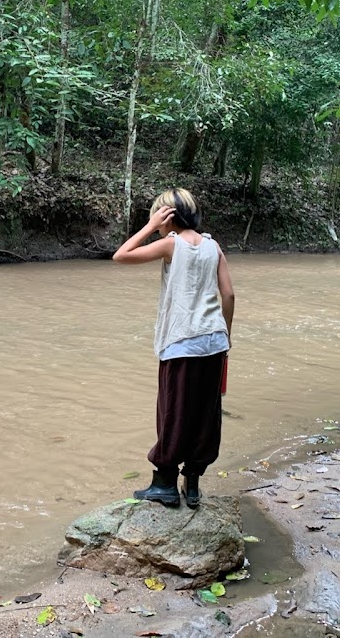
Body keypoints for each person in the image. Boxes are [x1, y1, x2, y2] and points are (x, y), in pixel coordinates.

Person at [113, 188, 235, 507]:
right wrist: (227, 338)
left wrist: (150, 227)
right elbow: (230, 296)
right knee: (205, 415)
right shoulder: (213, 246)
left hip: (182, 341)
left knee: (173, 411)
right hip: (214, 341)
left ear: (168, 217)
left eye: (159, 215)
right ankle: (192, 484)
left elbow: (120, 255)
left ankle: (165, 483)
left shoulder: (171, 244)